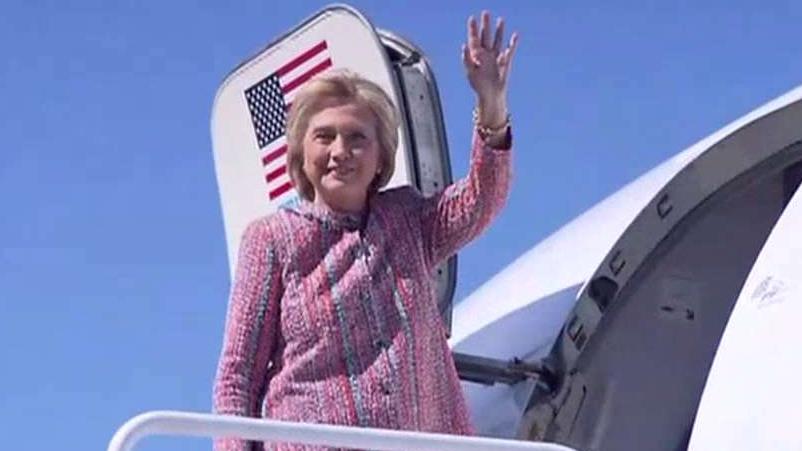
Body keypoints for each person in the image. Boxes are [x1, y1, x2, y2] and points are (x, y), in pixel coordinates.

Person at [213, 10, 519, 451]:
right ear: (301, 155)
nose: (341, 151)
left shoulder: (408, 220)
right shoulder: (272, 240)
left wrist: (492, 103)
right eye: (324, 137)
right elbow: (238, 377)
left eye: (357, 137)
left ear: (380, 158)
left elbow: (481, 201)